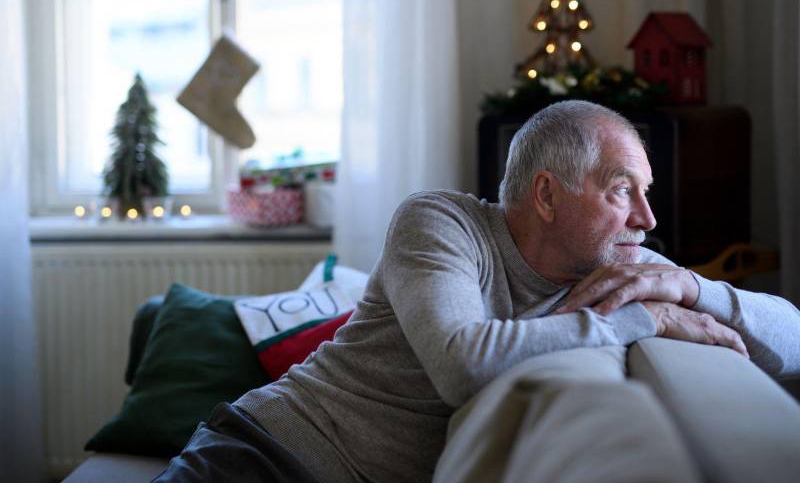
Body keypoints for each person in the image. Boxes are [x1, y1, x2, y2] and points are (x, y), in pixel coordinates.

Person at [155, 100, 800, 483]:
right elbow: (463, 362)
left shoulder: (622, 267)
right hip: (262, 456)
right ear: (547, 194)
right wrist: (645, 322)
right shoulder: (441, 222)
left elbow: (794, 343)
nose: (647, 220)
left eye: (646, 193)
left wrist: (689, 286)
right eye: (622, 190)